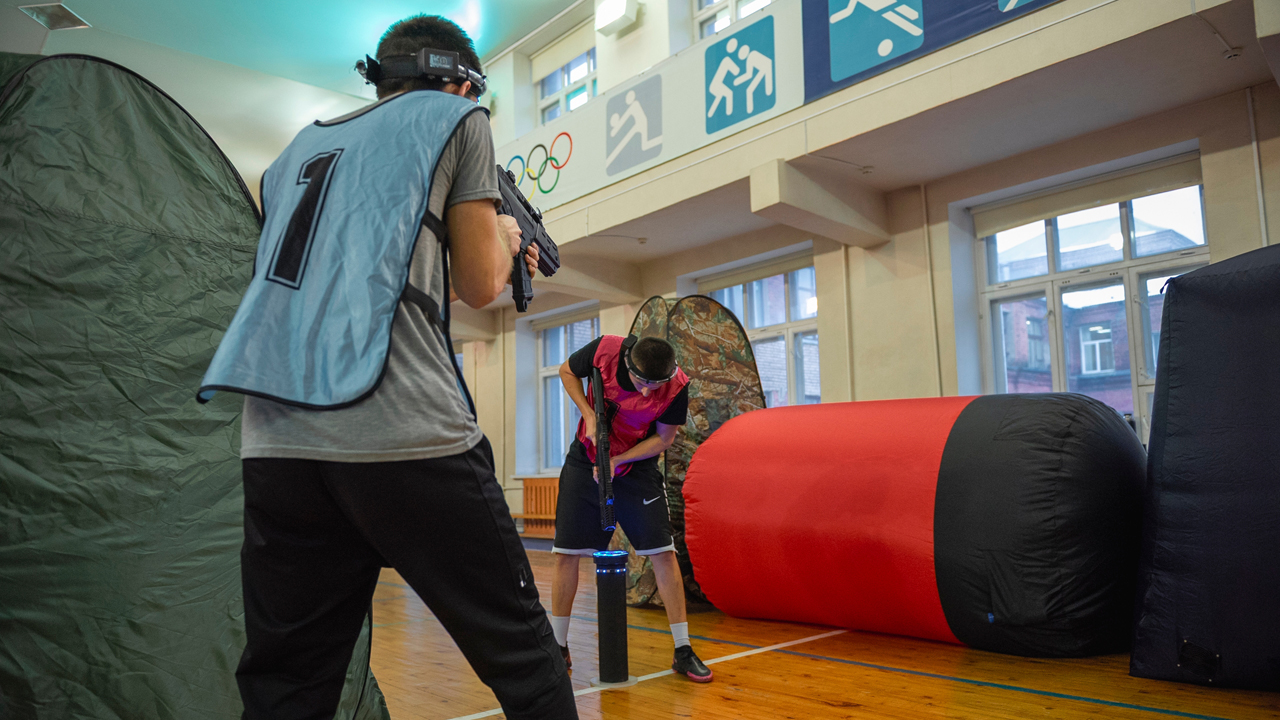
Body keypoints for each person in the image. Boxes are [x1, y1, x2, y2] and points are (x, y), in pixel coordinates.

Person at [198, 15, 577, 720]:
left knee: (289, 687)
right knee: (527, 661)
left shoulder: (296, 150)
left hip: (277, 440)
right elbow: (480, 284)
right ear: (460, 82)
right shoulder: (458, 119)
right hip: (402, 427)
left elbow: (367, 280)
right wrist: (504, 234)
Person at [550, 334, 714, 683]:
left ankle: (683, 649)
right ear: (628, 364)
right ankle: (557, 646)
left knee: (663, 553)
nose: (647, 393)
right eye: (642, 383)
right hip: (585, 459)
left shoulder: (677, 386)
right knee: (566, 554)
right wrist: (588, 414)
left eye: (656, 385)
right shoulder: (604, 351)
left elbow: (664, 438)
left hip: (636, 467)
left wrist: (618, 460)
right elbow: (566, 371)